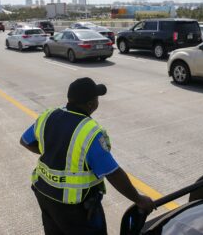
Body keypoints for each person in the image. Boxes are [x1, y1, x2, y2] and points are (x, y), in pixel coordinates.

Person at [20, 77, 155, 235]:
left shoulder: (48, 115)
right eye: (96, 98)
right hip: (75, 210)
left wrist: (50, 151)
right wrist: (139, 199)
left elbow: (25, 141)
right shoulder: (90, 132)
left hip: (44, 195)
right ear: (91, 104)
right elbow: (113, 173)